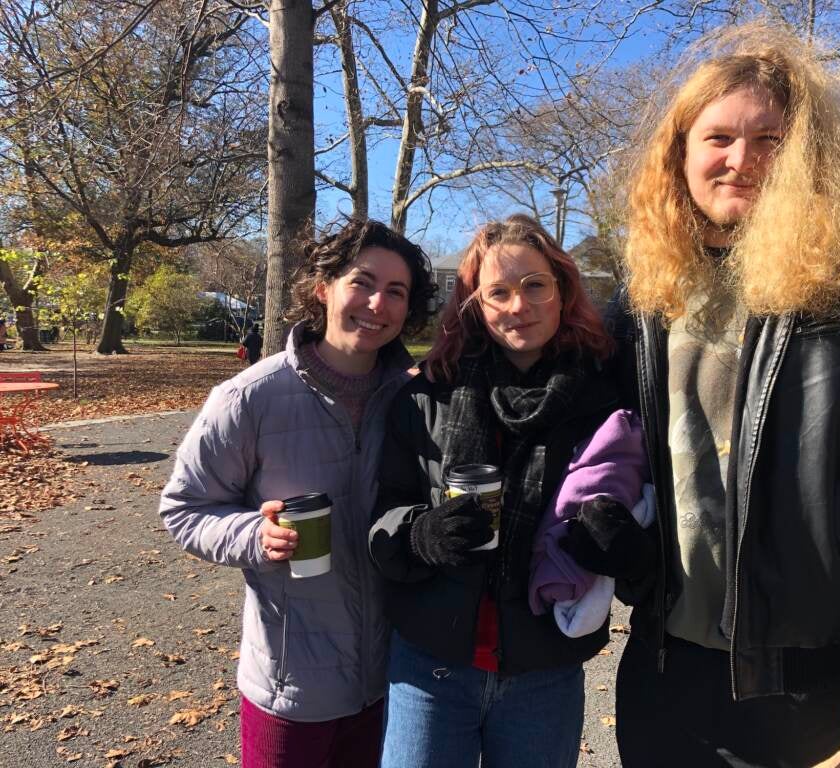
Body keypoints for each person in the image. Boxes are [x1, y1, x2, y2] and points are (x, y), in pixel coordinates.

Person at [603, 26, 840, 768]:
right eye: (718, 138)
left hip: (812, 688)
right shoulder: (643, 295)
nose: (741, 161)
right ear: (679, 152)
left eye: (770, 139)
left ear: (807, 154)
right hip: (665, 674)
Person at [369, 214, 648, 768]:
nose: (518, 306)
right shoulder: (427, 397)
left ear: (564, 291)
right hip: (432, 666)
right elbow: (381, 515)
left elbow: (650, 519)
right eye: (498, 292)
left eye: (534, 285)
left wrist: (629, 550)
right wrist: (420, 534)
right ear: (474, 304)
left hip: (544, 672)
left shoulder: (606, 402)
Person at [159, 219, 436, 768]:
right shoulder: (249, 397)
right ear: (323, 288)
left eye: (396, 292)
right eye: (362, 282)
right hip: (290, 687)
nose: (377, 303)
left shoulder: (416, 400)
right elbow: (184, 509)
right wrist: (252, 534)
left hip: (392, 680)